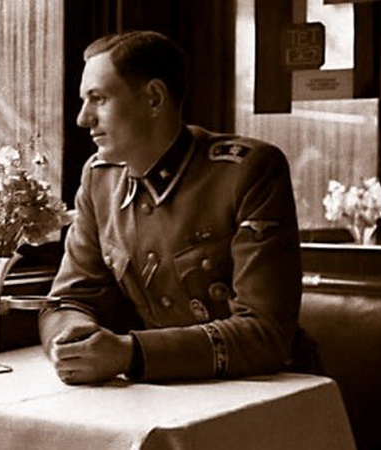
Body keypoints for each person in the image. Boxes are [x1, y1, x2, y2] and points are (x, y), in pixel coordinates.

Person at [39, 30, 302, 385]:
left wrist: (130, 353)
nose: (83, 118)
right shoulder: (100, 180)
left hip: (268, 391)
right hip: (159, 393)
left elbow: (266, 334)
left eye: (98, 99)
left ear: (154, 98)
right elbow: (67, 300)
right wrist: (76, 340)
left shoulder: (248, 171)